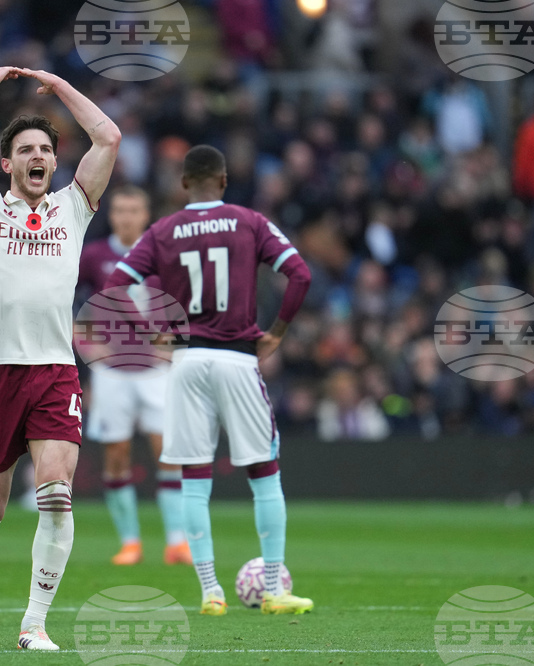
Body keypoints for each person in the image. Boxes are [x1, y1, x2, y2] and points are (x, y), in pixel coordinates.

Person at [0, 66, 120, 650]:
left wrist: (58, 86)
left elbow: (109, 137)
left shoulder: (74, 207)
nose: (38, 156)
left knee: (57, 491)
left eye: (46, 149)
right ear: (7, 163)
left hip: (53, 371)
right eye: (26, 150)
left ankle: (33, 624)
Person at [105, 145, 313, 616]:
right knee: (264, 475)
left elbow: (115, 286)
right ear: (222, 181)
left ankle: (210, 592)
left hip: (187, 362)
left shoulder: (163, 230)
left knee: (194, 481)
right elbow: (299, 275)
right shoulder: (249, 222)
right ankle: (275, 589)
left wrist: (151, 332)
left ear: (183, 185)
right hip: (238, 358)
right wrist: (276, 333)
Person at [78, 185, 191, 567]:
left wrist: (176, 347)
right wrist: (88, 345)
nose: (127, 216)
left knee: (168, 452)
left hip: (157, 372)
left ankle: (177, 541)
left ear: (146, 215)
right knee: (116, 454)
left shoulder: (165, 256)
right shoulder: (94, 256)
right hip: (113, 373)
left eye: (134, 210)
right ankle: (130, 542)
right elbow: (64, 299)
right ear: (111, 215)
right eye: (120, 210)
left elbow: (188, 304)